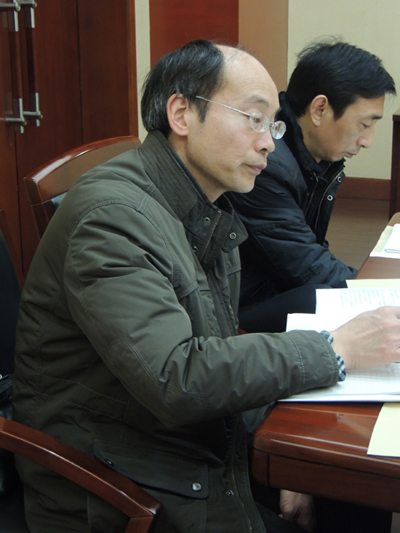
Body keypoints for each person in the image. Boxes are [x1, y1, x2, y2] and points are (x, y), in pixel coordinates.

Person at [12, 39, 400, 533]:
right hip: (121, 476)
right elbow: (176, 378)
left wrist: (289, 452)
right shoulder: (112, 219)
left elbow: (217, 340)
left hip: (183, 437)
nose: (269, 143)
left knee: (348, 488)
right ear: (181, 114)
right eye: (253, 119)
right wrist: (332, 349)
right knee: (350, 488)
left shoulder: (207, 204)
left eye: (273, 125)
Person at [228, 39, 396, 333]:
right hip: (239, 307)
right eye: (364, 124)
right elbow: (307, 268)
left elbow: (309, 248)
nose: (367, 141)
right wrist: (380, 291)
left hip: (277, 283)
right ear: (319, 109)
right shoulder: (266, 164)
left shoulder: (315, 155)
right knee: (322, 300)